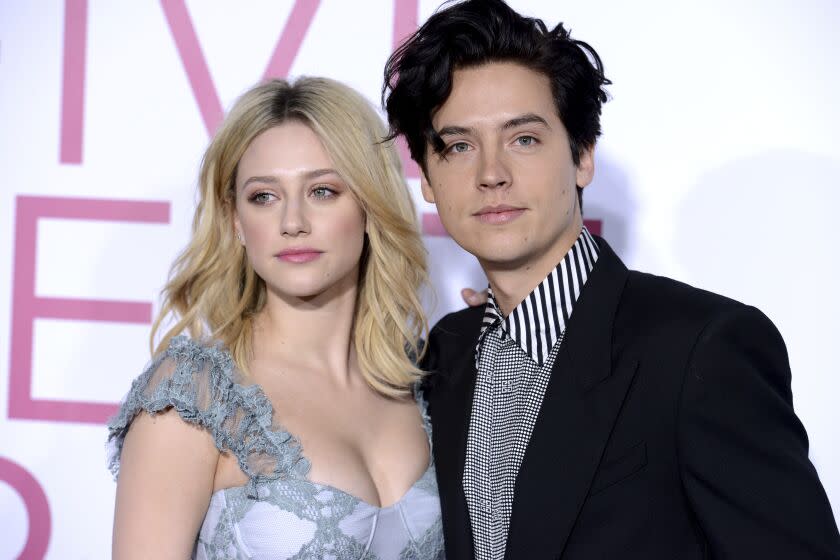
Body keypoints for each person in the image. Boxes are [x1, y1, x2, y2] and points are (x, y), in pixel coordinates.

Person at [382, 1, 840, 558]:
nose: (491, 174)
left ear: (582, 157)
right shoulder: (441, 357)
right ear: (427, 179)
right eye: (458, 146)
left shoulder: (702, 348)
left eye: (523, 139)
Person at [107, 77, 445, 559]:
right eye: (264, 196)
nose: (292, 221)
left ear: (370, 206)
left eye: (323, 191)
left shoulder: (423, 382)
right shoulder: (195, 395)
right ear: (235, 221)